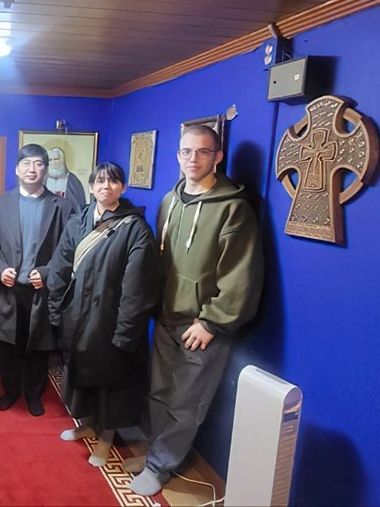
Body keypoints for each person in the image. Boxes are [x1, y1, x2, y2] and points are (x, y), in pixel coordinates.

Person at [129, 126, 264, 496]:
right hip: (166, 316)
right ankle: (156, 455)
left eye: (203, 152)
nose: (193, 159)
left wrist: (211, 321)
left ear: (217, 156)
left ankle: (161, 466)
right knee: (160, 392)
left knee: (188, 401)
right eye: (186, 151)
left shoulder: (234, 209)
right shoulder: (169, 202)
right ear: (177, 155)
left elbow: (242, 275)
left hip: (202, 324)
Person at [45, 162, 159, 467]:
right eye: (99, 181)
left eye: (113, 181)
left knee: (112, 383)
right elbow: (59, 268)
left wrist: (126, 332)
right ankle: (88, 425)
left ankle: (107, 437)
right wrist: (56, 311)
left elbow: (137, 288)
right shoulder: (78, 221)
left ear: (123, 187)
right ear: (91, 186)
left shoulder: (135, 228)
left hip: (111, 321)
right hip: (78, 317)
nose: (105, 186)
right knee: (81, 377)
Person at [0, 144, 74, 417]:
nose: (32, 169)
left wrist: (47, 272)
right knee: (7, 346)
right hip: (9, 288)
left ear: (45, 169)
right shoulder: (0, 204)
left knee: (39, 346)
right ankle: (11, 391)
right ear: (17, 169)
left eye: (38, 163)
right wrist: (0, 269)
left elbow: (68, 249)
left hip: (41, 290)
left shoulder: (63, 207)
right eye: (26, 163)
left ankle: (34, 395)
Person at [46, 146, 87, 211]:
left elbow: (78, 208)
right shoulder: (43, 180)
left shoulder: (72, 181)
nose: (53, 163)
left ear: (62, 161)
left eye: (56, 159)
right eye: (50, 160)